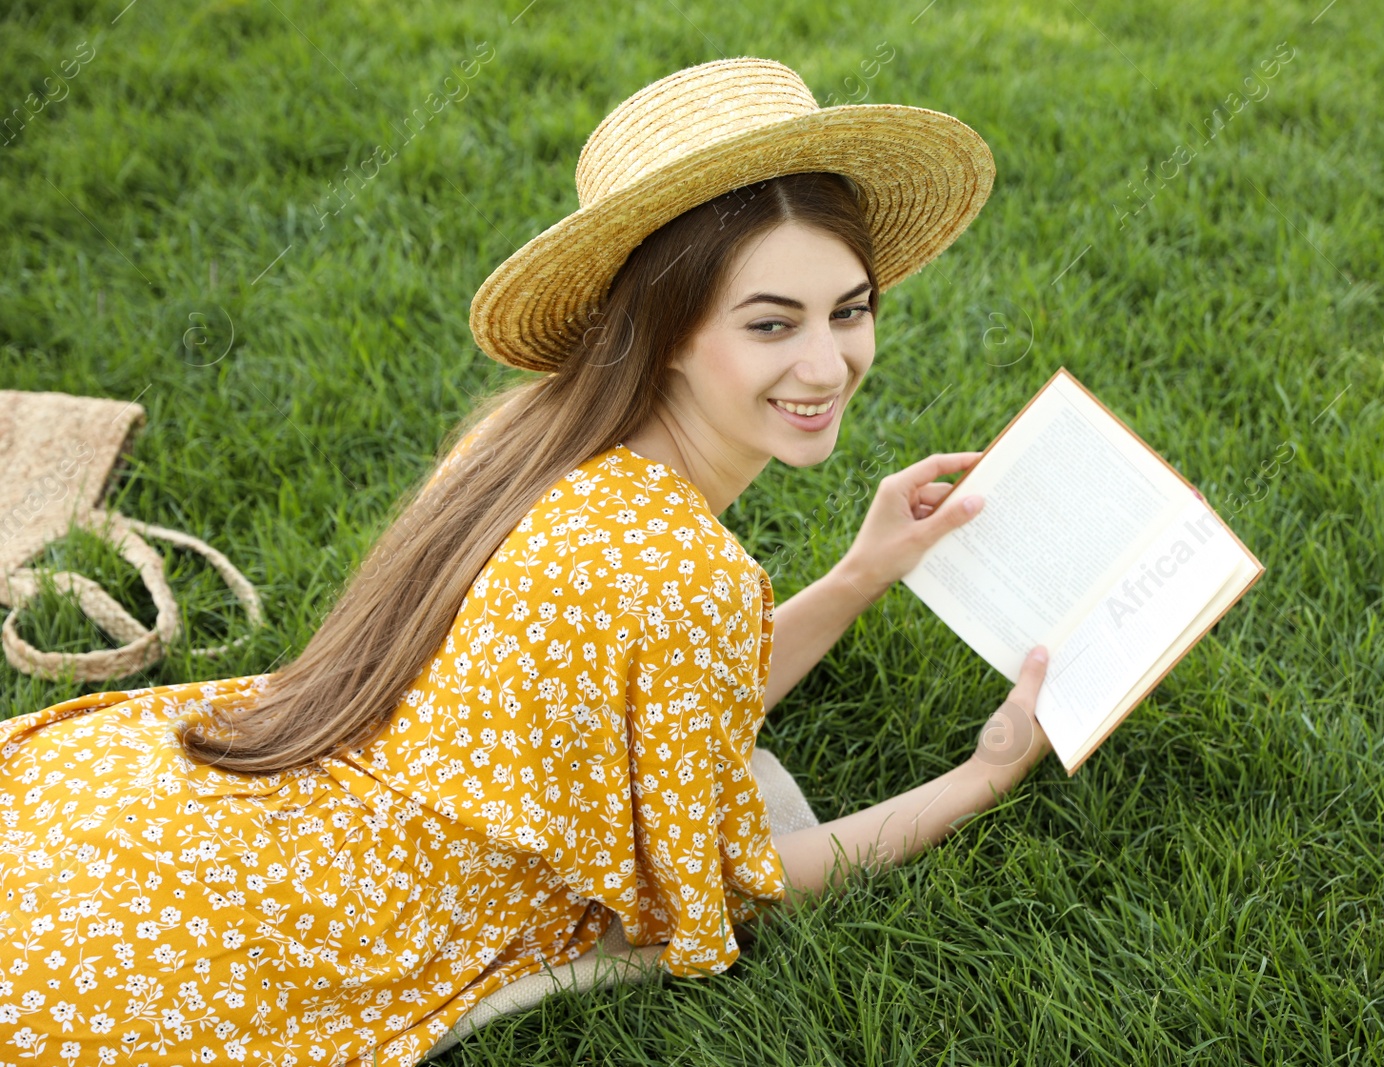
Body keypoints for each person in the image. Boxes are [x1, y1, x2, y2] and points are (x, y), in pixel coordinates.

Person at [0, 56, 1052, 1065]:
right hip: (343, 916)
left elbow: (666, 697)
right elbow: (744, 877)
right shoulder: (683, 570)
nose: (827, 363)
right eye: (772, 323)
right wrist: (982, 773)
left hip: (272, 807)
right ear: (670, 327)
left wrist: (863, 570)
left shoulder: (528, 435)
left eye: (849, 308)